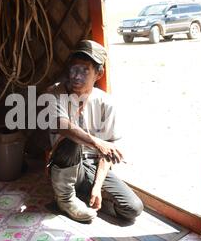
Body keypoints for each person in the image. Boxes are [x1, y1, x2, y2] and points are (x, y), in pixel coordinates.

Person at [47, 39, 143, 224]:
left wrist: (98, 187)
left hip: (92, 166)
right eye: (74, 69)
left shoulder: (106, 102)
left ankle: (87, 193)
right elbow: (61, 125)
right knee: (72, 138)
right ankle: (65, 199)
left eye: (85, 70)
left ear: (99, 74)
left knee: (133, 208)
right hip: (64, 162)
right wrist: (97, 142)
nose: (77, 76)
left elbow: (108, 150)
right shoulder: (56, 92)